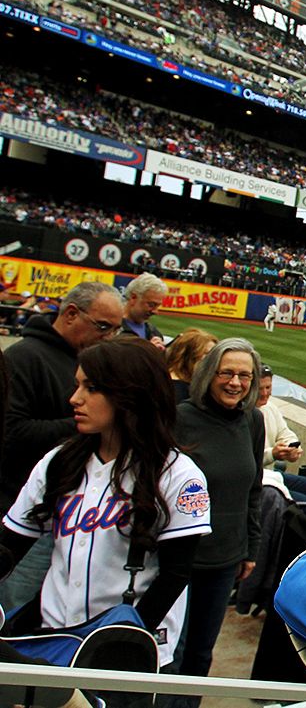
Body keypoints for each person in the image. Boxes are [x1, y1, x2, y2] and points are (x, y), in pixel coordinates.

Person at [0, 338, 210, 679]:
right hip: (55, 639)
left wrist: (126, 642)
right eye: (77, 385)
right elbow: (10, 545)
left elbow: (174, 574)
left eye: (91, 388)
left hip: (130, 650)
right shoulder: (59, 462)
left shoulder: (179, 474)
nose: (75, 399)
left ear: (131, 395)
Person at [0, 281, 125, 612]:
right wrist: (88, 423)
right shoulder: (24, 357)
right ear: (71, 314)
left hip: (79, 516)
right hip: (27, 513)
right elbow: (11, 434)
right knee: (13, 609)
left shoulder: (93, 360)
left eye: (116, 329)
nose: (110, 336)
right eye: (103, 326)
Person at [170, 338, 263, 701]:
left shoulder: (252, 421)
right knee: (171, 654)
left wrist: (250, 548)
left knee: (199, 654)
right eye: (227, 373)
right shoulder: (180, 418)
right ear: (209, 374)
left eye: (244, 375)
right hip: (178, 560)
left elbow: (252, 490)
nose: (235, 383)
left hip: (226, 557)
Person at [257, 365, 306, 521]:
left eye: (268, 387)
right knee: (304, 502)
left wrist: (292, 448)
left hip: (271, 474)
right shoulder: (245, 413)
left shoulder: (270, 408)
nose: (265, 393)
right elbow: (248, 459)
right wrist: (273, 454)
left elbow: (286, 434)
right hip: (257, 479)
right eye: (260, 388)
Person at [163, 328, 216, 402]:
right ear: (190, 356)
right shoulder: (178, 390)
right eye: (207, 354)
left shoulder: (164, 377)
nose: (214, 360)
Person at [119, 274, 168, 350]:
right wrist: (147, 350)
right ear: (133, 297)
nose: (155, 311)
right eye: (151, 305)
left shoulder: (154, 333)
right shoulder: (113, 330)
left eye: (157, 306)